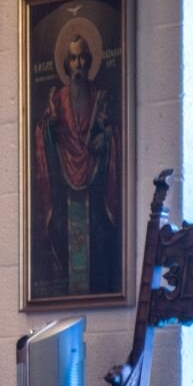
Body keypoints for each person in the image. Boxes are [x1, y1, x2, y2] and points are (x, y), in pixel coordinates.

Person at [32, 31, 121, 297]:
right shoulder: (57, 99)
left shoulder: (99, 98)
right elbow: (43, 133)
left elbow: (112, 134)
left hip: (94, 187)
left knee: (98, 238)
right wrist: (48, 127)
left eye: (83, 58)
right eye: (73, 59)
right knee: (61, 234)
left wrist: (104, 141)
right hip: (64, 189)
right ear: (66, 64)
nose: (79, 65)